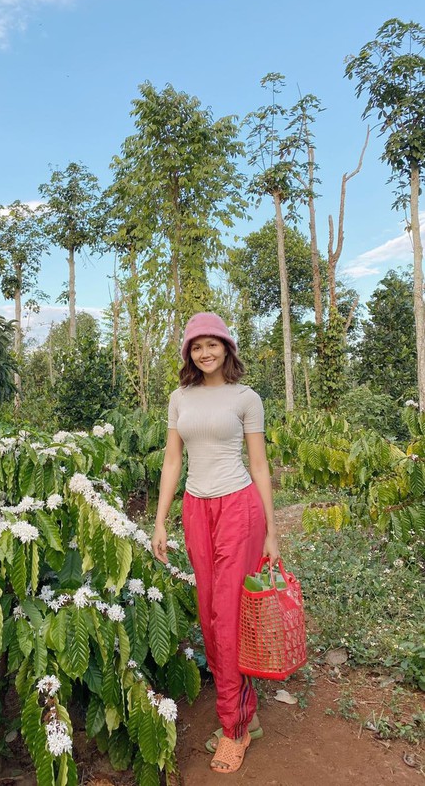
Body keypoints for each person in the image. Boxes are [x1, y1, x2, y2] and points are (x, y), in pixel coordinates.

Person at [151, 312, 279, 774]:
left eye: (213, 344)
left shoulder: (246, 398)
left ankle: (235, 728)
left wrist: (271, 529)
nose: (205, 353)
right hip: (196, 508)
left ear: (227, 347)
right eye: (197, 346)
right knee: (209, 613)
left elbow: (260, 465)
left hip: (238, 509)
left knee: (229, 616)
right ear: (188, 352)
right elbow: (172, 462)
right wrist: (160, 520)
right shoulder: (178, 398)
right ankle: (246, 711)